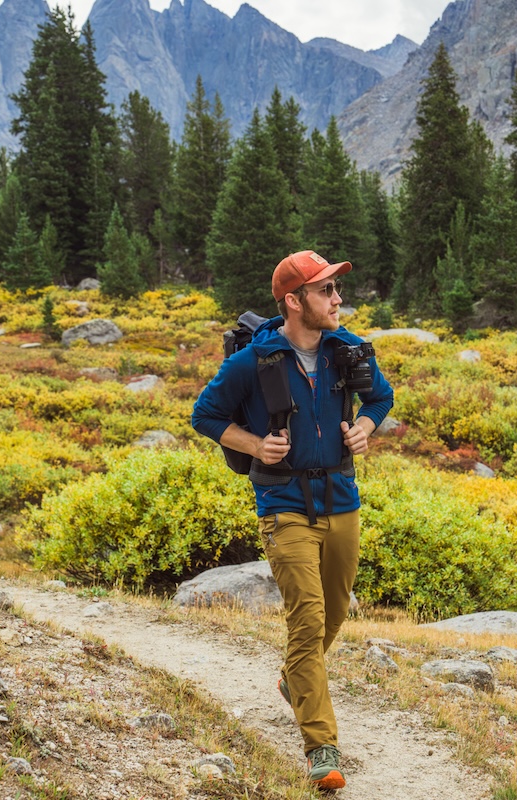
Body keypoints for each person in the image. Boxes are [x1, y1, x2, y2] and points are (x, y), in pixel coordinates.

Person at [191, 250, 394, 790]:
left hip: (341, 498)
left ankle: (292, 680)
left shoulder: (348, 350)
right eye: (326, 290)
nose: (337, 298)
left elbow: (381, 396)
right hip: (283, 504)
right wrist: (256, 444)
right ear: (294, 300)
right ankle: (321, 747)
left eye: (335, 289)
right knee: (306, 620)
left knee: (334, 612)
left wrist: (366, 427)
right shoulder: (252, 364)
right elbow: (204, 415)